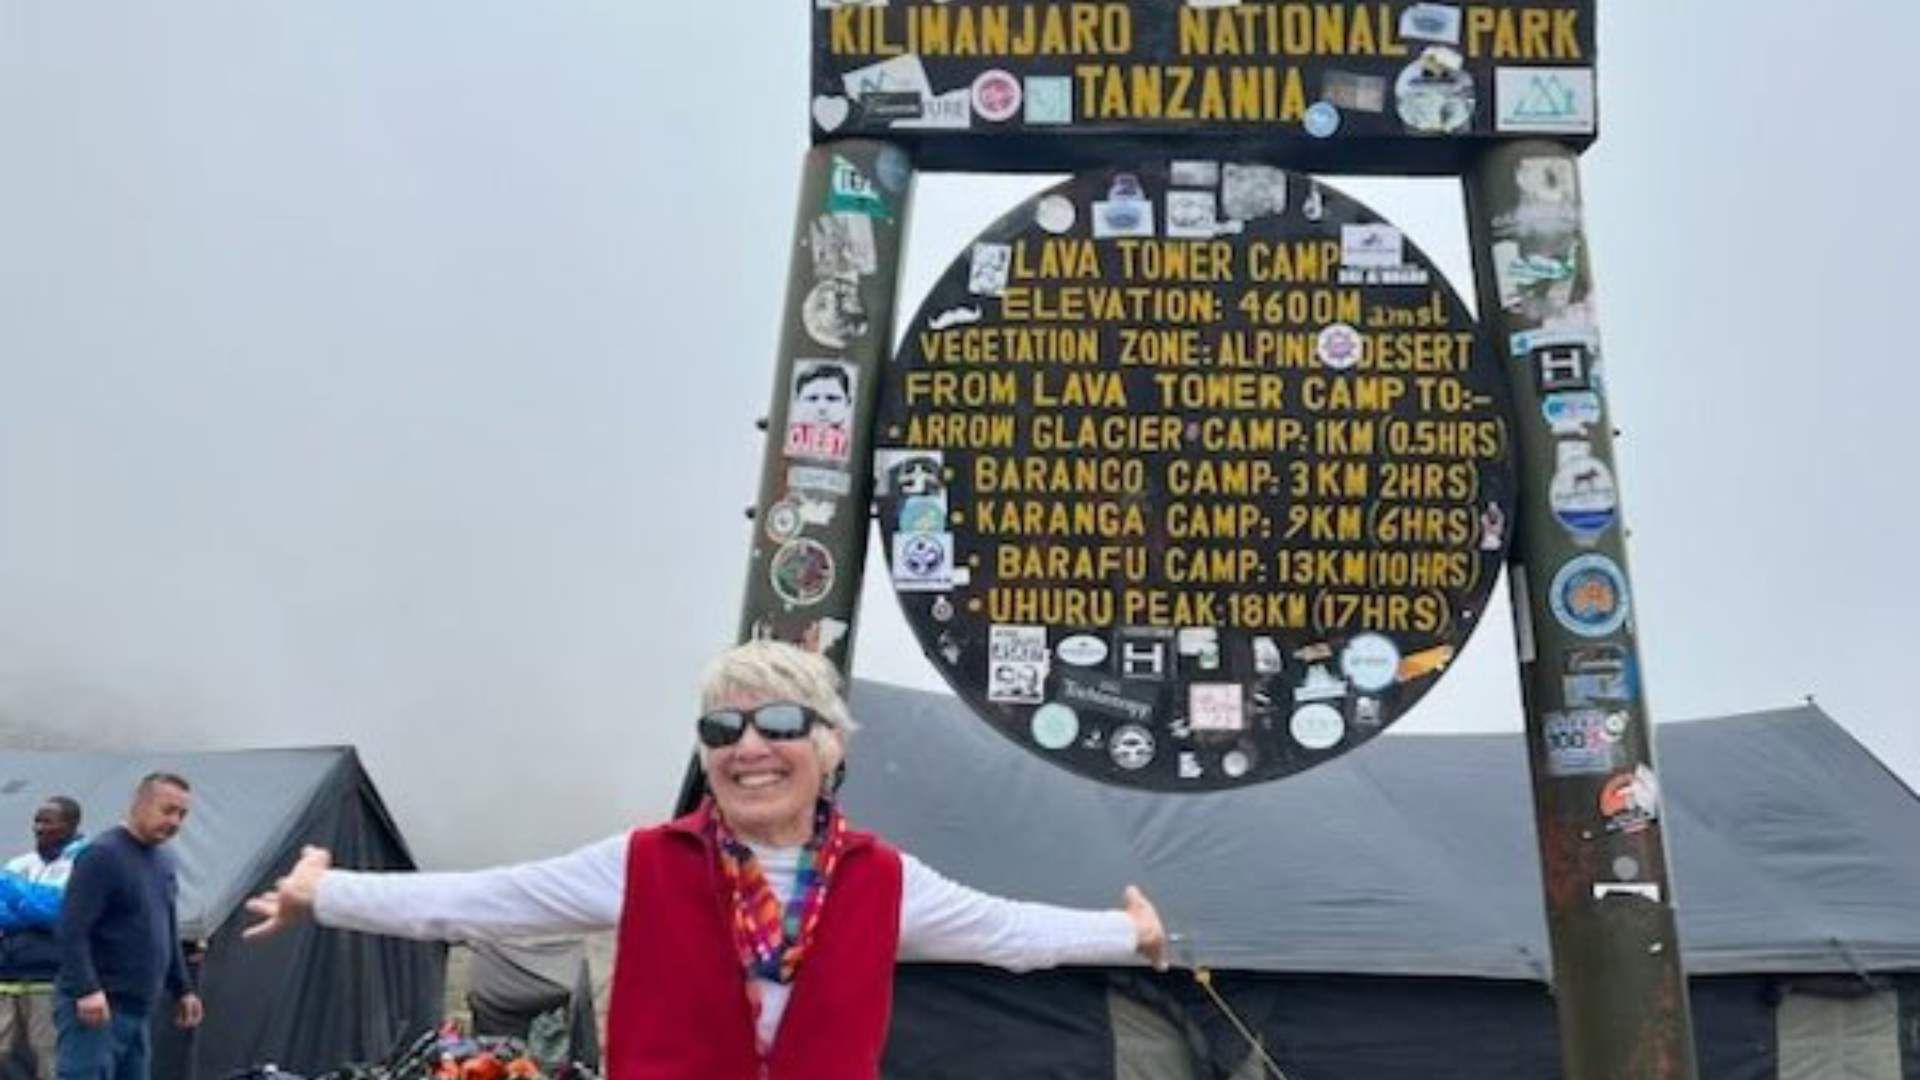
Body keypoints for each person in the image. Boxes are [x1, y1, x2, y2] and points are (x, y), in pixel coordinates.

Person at [245, 641, 1169, 1079]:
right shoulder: (647, 861)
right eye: (724, 727)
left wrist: (1127, 936)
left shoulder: (882, 879)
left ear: (832, 748)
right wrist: (328, 894)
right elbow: (486, 902)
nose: (749, 747)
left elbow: (1005, 932)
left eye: (779, 723)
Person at [55, 774, 202, 1080]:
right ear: (139, 804)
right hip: (97, 1010)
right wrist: (87, 989)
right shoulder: (102, 856)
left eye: (182, 814)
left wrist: (183, 988)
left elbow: (166, 928)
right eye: (167, 810)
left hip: (139, 1011)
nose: (175, 821)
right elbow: (72, 929)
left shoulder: (164, 862)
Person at [0, 798, 86, 1080]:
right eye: (37, 820)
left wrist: (18, 897)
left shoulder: (83, 861)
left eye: (48, 821)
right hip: (8, 973)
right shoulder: (20, 862)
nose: (39, 827)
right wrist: (31, 902)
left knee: (47, 1053)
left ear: (70, 824)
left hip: (50, 978)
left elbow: (57, 913)